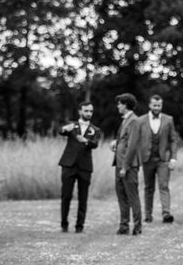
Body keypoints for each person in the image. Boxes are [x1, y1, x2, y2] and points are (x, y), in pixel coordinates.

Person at [132, 95, 179, 223]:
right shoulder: (140, 120)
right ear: (150, 105)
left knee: (164, 186)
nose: (157, 108)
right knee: (148, 188)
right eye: (154, 105)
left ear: (161, 106)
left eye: (159, 105)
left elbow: (173, 140)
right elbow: (135, 140)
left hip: (163, 159)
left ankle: (166, 214)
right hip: (147, 159)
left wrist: (173, 158)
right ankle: (147, 215)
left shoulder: (169, 119)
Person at [58, 101, 101, 233]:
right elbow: (60, 131)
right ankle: (64, 224)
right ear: (80, 111)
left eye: (90, 111)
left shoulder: (95, 129)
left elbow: (95, 144)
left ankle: (79, 226)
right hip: (68, 165)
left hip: (85, 167)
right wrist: (65, 129)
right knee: (66, 196)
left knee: (83, 197)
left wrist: (86, 141)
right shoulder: (72, 125)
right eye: (86, 111)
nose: (88, 113)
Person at [111, 93, 142, 235]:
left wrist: (125, 167)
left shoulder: (134, 121)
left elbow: (132, 145)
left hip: (128, 166)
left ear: (126, 105)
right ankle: (123, 226)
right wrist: (115, 143)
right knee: (121, 196)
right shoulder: (125, 120)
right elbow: (123, 140)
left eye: (119, 103)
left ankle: (137, 227)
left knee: (132, 196)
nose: (117, 106)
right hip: (118, 164)